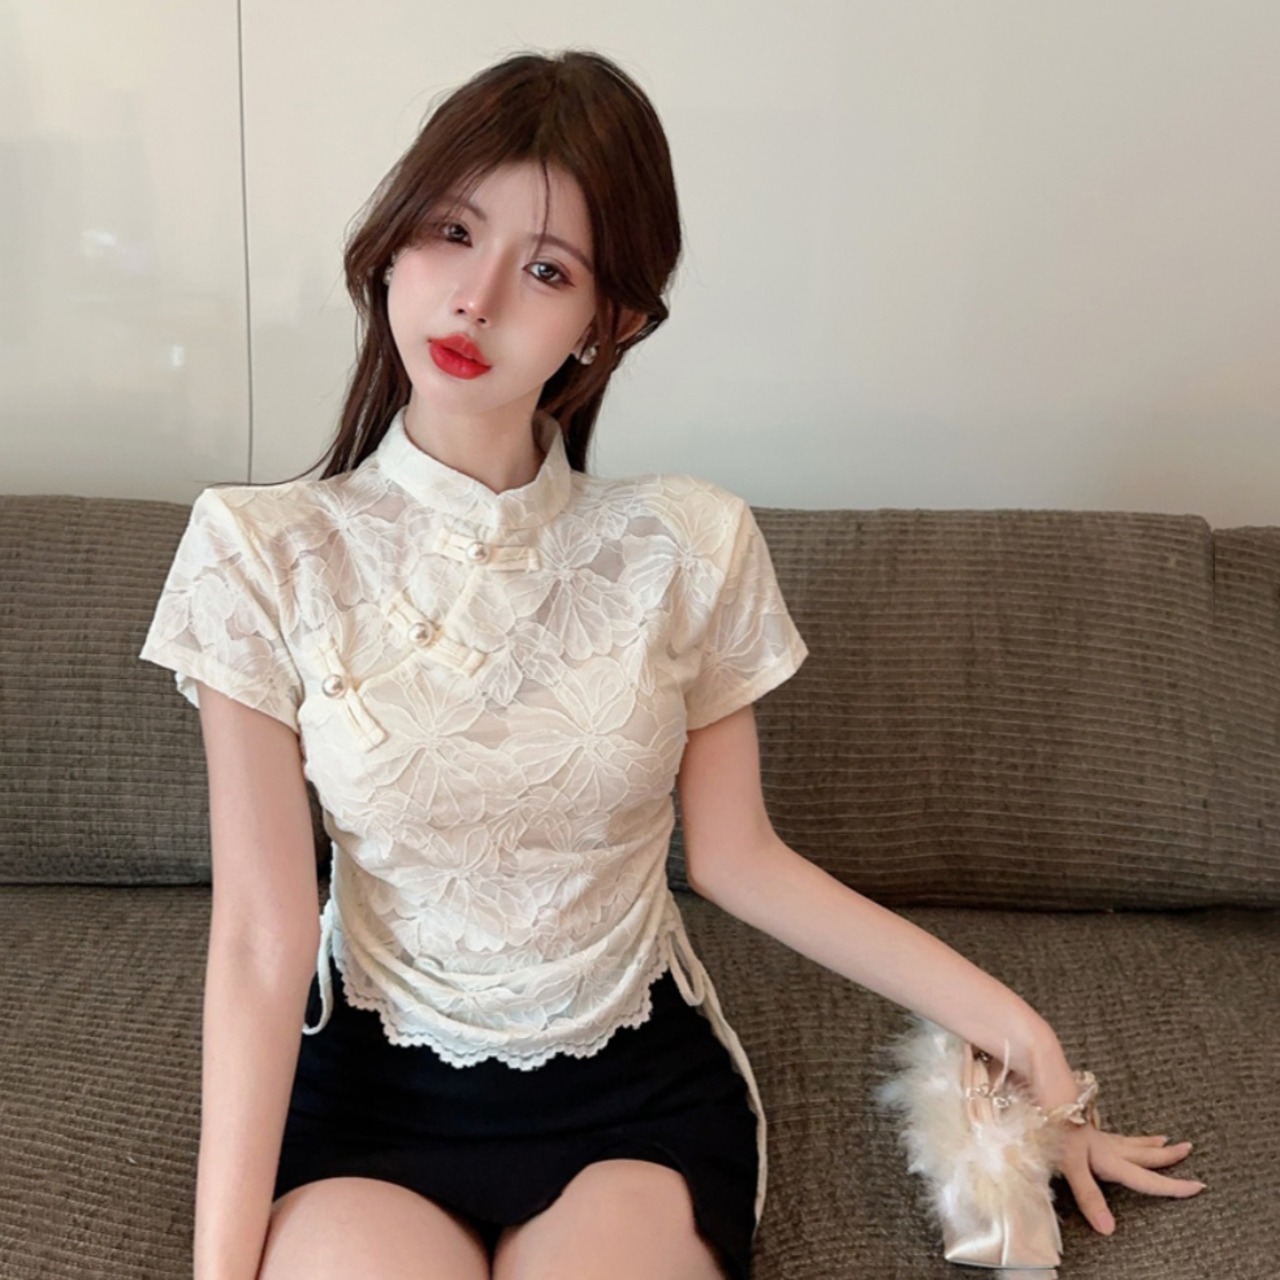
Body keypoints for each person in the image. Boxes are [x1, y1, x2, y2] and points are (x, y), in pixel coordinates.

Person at [138, 48, 1203, 1280]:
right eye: (450, 231)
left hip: (630, 1101)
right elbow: (261, 939)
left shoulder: (686, 542)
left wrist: (1019, 1035)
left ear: (610, 323)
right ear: (390, 244)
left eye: (546, 269)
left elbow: (740, 858)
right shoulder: (259, 549)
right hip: (369, 1096)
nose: (475, 298)